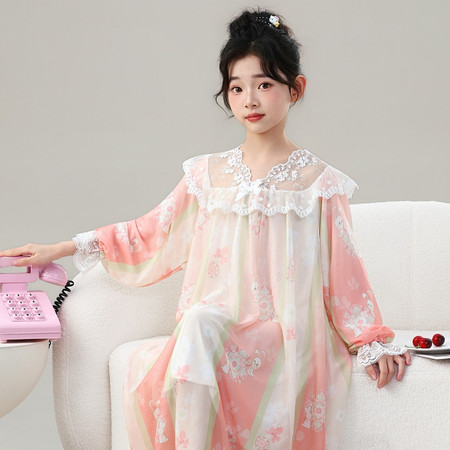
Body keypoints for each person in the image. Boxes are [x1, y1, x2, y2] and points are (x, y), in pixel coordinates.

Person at [0, 8, 410, 449]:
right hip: (215, 328)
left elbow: (344, 273)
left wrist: (370, 340)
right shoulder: (207, 176)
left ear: (296, 89)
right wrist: (62, 247)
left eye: (264, 85)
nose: (249, 100)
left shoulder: (319, 184)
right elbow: (151, 231)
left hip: (284, 336)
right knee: (198, 323)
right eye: (236, 87)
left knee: (198, 329)